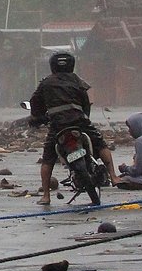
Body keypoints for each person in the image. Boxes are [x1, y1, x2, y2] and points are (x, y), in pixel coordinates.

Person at [27, 52, 116, 204]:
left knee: (48, 159)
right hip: (79, 122)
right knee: (100, 143)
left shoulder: (45, 83)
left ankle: (46, 196)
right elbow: (86, 103)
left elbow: (35, 104)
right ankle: (114, 176)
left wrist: (36, 118)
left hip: (57, 126)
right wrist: (85, 117)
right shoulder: (77, 80)